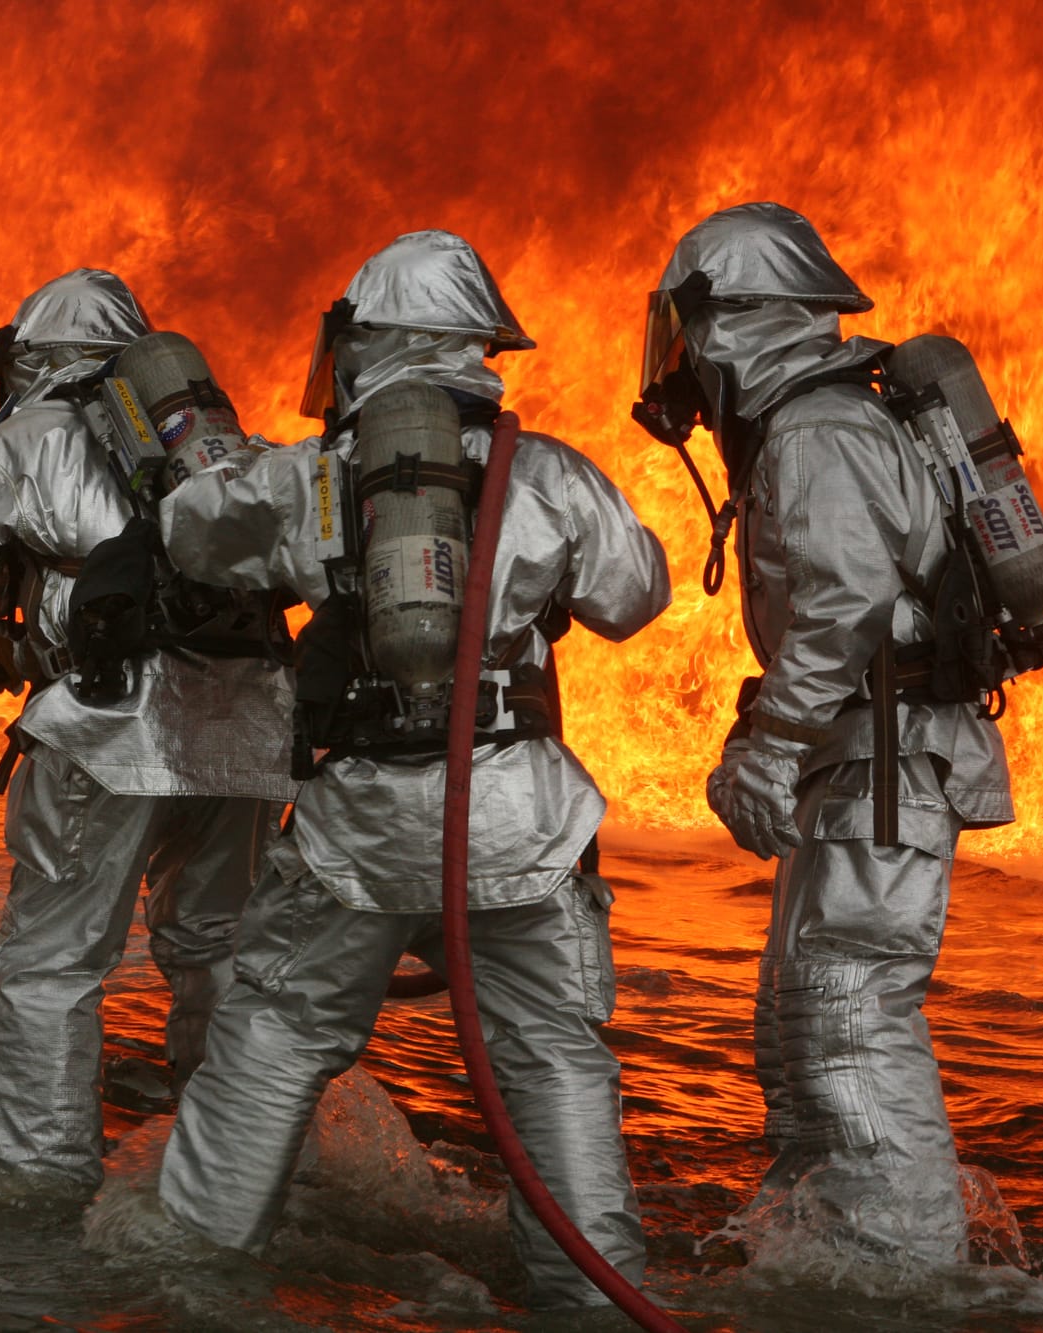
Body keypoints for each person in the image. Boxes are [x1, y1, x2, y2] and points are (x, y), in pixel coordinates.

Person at [152, 231, 671, 1308]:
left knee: (273, 1038)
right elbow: (633, 598)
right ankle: (593, 1291)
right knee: (552, 1063)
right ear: (480, 343)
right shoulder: (552, 471)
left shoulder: (311, 476)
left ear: (362, 341)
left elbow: (194, 538)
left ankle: (188, 1271)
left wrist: (205, 457)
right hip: (519, 814)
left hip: (361, 827)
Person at [631, 202, 1015, 1261]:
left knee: (847, 1008)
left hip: (882, 760)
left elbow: (842, 605)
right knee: (799, 1022)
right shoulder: (825, 422)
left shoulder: (816, 430)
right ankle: (814, 1249)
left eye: (685, 329)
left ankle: (901, 1277)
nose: (676, 360)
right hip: (862, 756)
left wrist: (768, 744)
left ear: (736, 324)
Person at [0, 269, 296, 1198]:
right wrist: (22, 644)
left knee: (51, 963)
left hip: (109, 735)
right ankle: (235, 1178)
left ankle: (35, 1183)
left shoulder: (29, 437)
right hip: (249, 733)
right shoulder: (218, 449)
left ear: (30, 357)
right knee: (220, 952)